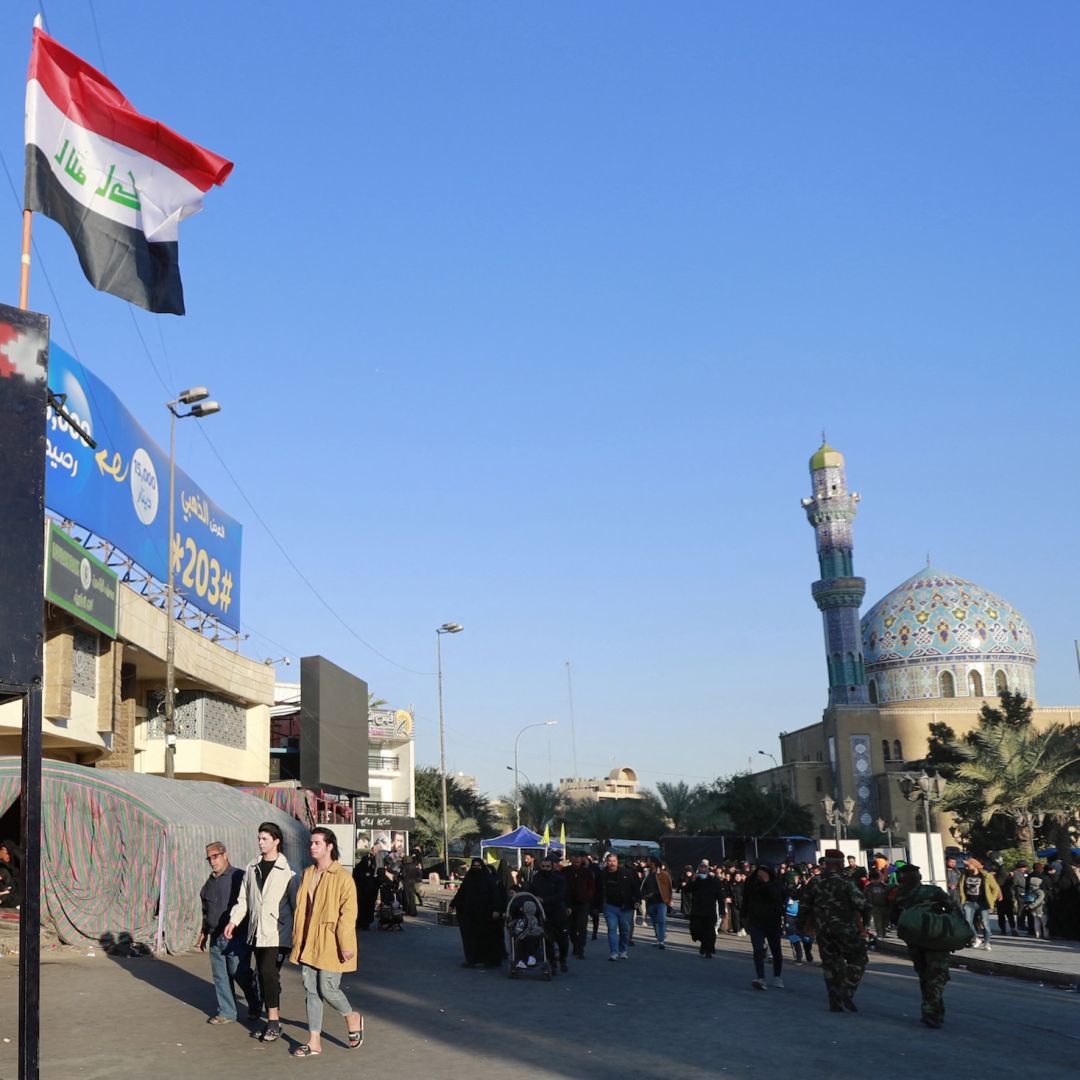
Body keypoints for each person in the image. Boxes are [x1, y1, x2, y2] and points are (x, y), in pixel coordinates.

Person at [289, 827, 364, 1058]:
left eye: (317, 843)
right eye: (311, 843)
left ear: (329, 846)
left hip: (331, 941)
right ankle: (314, 1042)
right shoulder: (308, 873)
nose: (312, 847)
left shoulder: (342, 877)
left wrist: (346, 945)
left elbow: (348, 914)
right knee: (311, 990)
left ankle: (351, 1016)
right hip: (308, 940)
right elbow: (302, 910)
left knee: (327, 988)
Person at [225, 821, 298, 1043]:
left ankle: (273, 1023)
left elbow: (296, 905)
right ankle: (272, 999)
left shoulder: (289, 872)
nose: (260, 842)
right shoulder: (252, 867)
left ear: (277, 841)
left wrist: (298, 935)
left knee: (267, 973)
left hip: (278, 932)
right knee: (264, 975)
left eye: (265, 838)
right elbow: (244, 899)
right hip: (257, 930)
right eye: (259, 838)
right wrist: (234, 921)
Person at [891, 862, 965, 1028]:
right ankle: (932, 1009)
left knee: (924, 974)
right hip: (937, 938)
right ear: (920, 877)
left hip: (915, 941)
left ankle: (931, 1008)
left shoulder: (898, 895)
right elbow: (953, 907)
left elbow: (894, 918)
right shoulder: (933, 891)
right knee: (937, 976)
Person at [798, 849, 871, 1012]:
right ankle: (847, 989)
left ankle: (835, 1001)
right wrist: (864, 923)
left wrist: (801, 927)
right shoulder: (847, 882)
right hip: (846, 929)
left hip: (823, 930)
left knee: (831, 965)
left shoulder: (815, 881)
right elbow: (863, 905)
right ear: (840, 863)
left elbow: (804, 906)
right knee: (859, 959)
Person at [198, 841, 260, 1025]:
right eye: (209, 858)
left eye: (215, 857)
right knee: (220, 976)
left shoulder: (239, 876)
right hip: (216, 936)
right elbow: (206, 909)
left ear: (225, 855)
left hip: (237, 936)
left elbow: (250, 904)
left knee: (238, 971)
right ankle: (227, 1012)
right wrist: (204, 931)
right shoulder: (209, 883)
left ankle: (255, 1001)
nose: (212, 861)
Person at [448, 857, 503, 967]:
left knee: (484, 938)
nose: (476, 868)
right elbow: (461, 893)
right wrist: (452, 904)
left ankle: (485, 961)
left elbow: (496, 895)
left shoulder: (489, 880)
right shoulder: (469, 879)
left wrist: (497, 909)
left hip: (485, 914)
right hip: (470, 914)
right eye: (474, 866)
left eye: (478, 866)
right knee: (470, 938)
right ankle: (471, 960)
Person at [742, 865, 786, 990]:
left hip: (773, 921)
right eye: (759, 874)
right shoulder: (751, 883)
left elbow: (778, 898)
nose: (761, 877)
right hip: (756, 922)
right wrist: (744, 916)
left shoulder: (776, 884)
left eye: (764, 874)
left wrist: (767, 883)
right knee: (758, 950)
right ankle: (760, 978)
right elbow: (746, 898)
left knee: (776, 949)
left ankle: (777, 976)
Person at [531, 853, 570, 973]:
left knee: (563, 941)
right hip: (544, 915)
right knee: (548, 941)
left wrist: (545, 900)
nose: (545, 869)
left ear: (552, 866)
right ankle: (552, 964)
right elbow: (531, 890)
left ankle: (562, 960)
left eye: (547, 866)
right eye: (543, 866)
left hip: (558, 914)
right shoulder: (537, 877)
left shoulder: (560, 878)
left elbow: (561, 895)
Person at [600, 852, 639, 960]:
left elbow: (636, 886)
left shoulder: (627, 873)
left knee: (625, 930)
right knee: (612, 929)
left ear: (617, 862)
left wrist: (637, 900)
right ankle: (614, 952)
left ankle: (623, 950)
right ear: (606, 862)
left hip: (625, 906)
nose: (612, 863)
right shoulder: (602, 874)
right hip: (610, 906)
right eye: (609, 861)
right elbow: (598, 890)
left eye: (614, 861)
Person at [959, 857, 1001, 950]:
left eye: (967, 865)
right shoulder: (964, 875)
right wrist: (962, 898)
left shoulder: (985, 875)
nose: (966, 867)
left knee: (984, 923)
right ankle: (976, 938)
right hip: (969, 902)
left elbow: (995, 888)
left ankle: (987, 942)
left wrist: (992, 899)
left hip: (982, 903)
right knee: (967, 921)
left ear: (974, 865)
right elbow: (961, 887)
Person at [686, 860, 724, 959]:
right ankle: (704, 944)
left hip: (709, 911)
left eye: (705, 867)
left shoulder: (714, 881)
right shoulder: (696, 880)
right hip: (697, 911)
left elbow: (720, 896)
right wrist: (692, 880)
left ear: (707, 869)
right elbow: (686, 890)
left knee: (710, 932)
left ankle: (709, 950)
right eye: (701, 867)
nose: (703, 869)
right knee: (695, 930)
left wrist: (721, 911)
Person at [563, 852, 595, 959]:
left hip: (583, 904)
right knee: (571, 928)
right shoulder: (565, 871)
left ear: (582, 860)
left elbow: (591, 887)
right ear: (571, 860)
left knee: (581, 928)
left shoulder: (587, 872)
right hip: (569, 904)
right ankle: (576, 945)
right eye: (574, 860)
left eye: (578, 860)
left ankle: (580, 949)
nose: (576, 862)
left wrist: (587, 897)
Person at [640, 857, 673, 949]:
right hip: (650, 901)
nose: (647, 862)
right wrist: (645, 895)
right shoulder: (647, 874)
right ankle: (658, 938)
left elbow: (669, 887)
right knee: (655, 921)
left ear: (653, 863)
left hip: (661, 901)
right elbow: (643, 886)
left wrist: (670, 899)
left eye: (649, 861)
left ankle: (661, 941)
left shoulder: (664, 874)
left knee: (661, 920)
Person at [352, 848, 380, 931]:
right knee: (362, 908)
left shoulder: (368, 869)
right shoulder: (360, 868)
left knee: (366, 908)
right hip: (362, 892)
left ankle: (365, 924)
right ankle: (362, 923)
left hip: (366, 892)